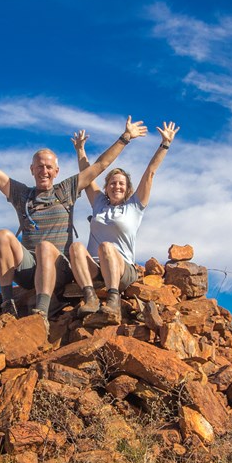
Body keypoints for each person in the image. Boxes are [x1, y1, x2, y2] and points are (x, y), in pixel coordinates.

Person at [0, 112, 147, 322]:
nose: (44, 171)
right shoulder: (22, 195)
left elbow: (100, 165)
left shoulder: (66, 190)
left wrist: (125, 138)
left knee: (46, 247)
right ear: (32, 170)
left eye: (48, 167)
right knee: (2, 235)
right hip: (30, 268)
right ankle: (7, 301)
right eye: (39, 167)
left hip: (60, 268)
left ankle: (41, 312)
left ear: (56, 171)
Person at [69, 121, 179, 325]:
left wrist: (165, 144)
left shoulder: (135, 206)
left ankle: (113, 300)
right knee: (76, 247)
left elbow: (150, 172)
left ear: (127, 188)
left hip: (122, 269)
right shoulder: (99, 202)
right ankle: (90, 297)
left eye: (121, 183)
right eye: (112, 183)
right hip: (95, 267)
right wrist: (80, 150)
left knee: (106, 247)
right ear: (107, 187)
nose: (116, 186)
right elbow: (88, 174)